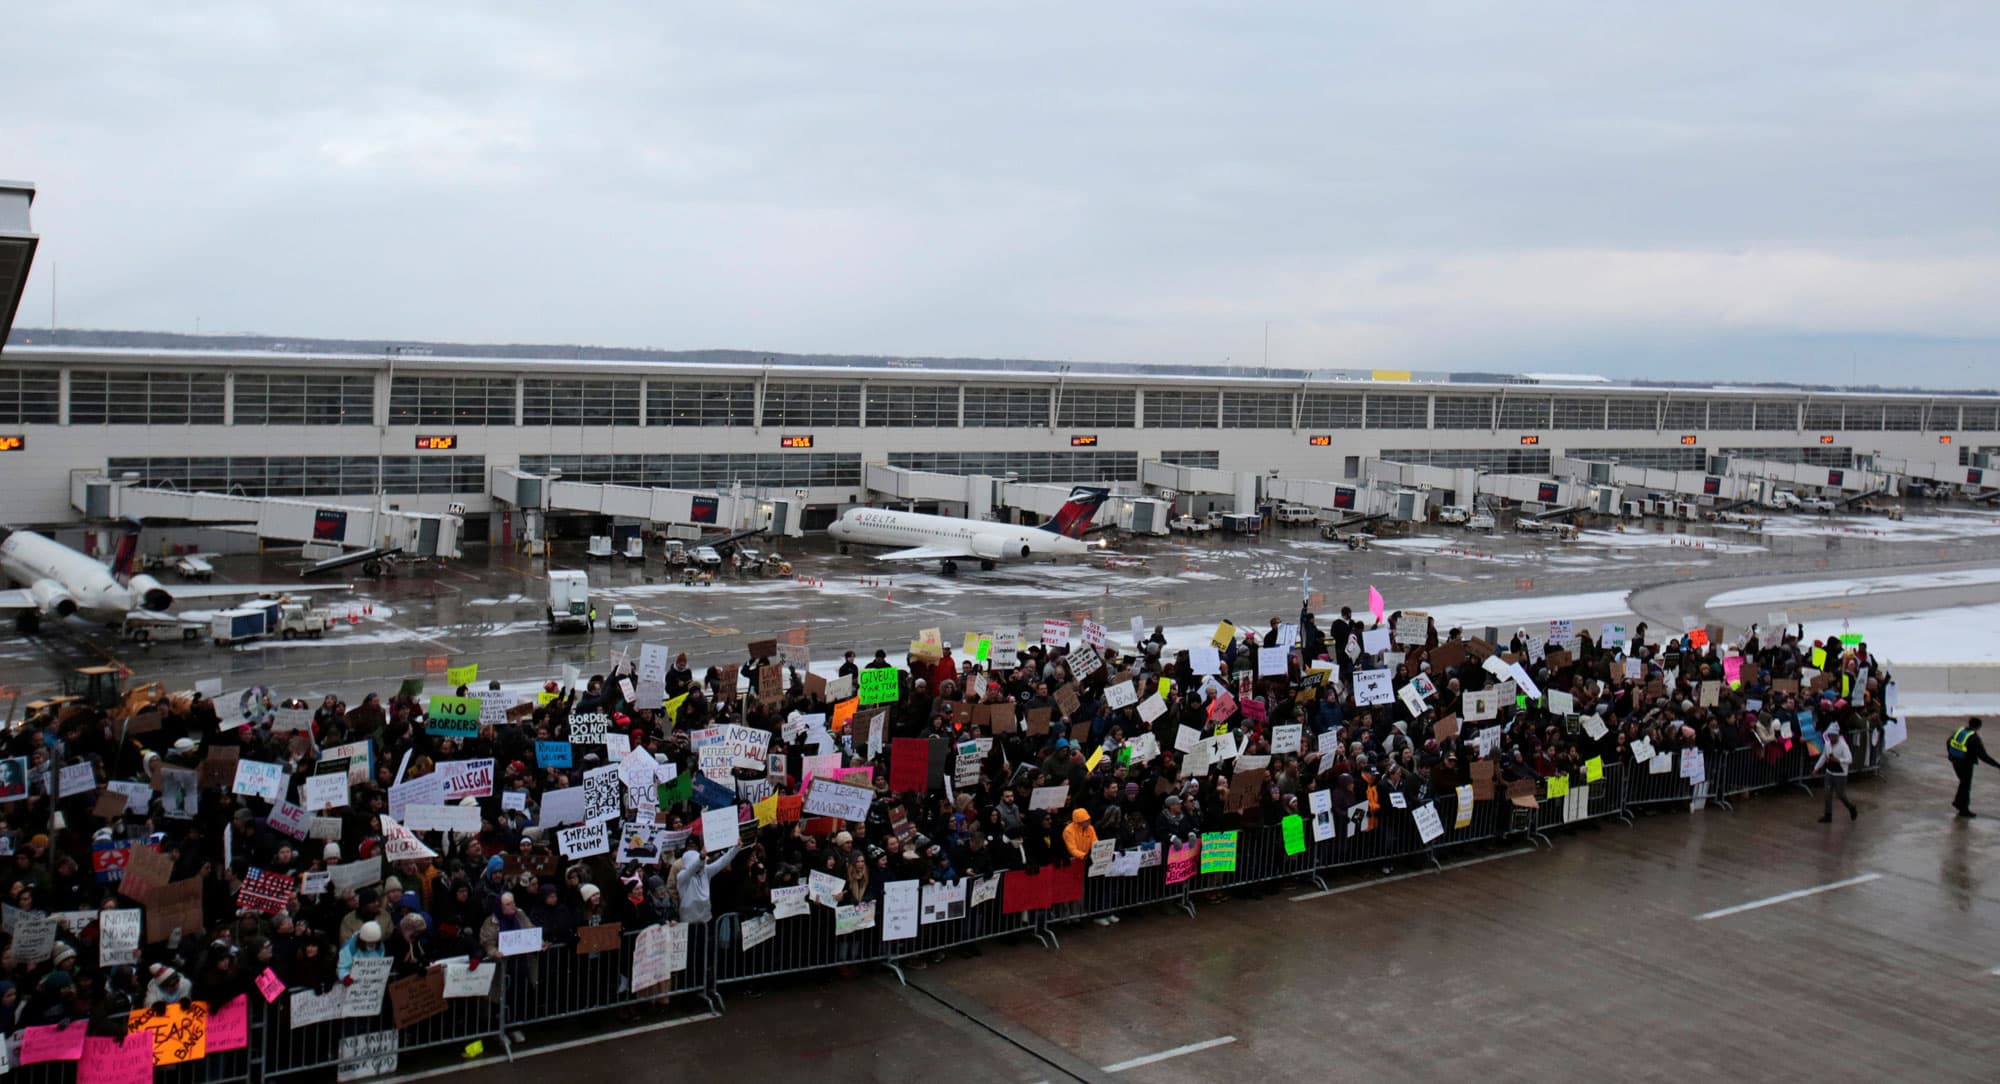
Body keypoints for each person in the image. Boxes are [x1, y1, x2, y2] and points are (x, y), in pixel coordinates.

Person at [1947, 717, 2000, 817]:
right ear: (1979, 726)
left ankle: (1958, 803)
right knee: (1966, 786)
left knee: (1963, 783)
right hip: (1966, 764)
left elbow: (1948, 742)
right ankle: (1963, 809)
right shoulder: (1974, 738)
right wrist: (1997, 765)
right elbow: (1983, 756)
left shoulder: (1960, 731)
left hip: (1955, 761)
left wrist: (1950, 755)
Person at [1812, 722, 1856, 822]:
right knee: (1827, 793)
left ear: (1837, 736)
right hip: (1829, 771)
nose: (1831, 738)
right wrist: (1816, 768)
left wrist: (1839, 760)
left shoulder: (1843, 746)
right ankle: (1828, 815)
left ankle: (1851, 807)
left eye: (1832, 736)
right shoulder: (1827, 744)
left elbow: (1849, 759)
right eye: (1829, 736)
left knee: (1840, 795)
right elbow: (1824, 756)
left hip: (1840, 774)